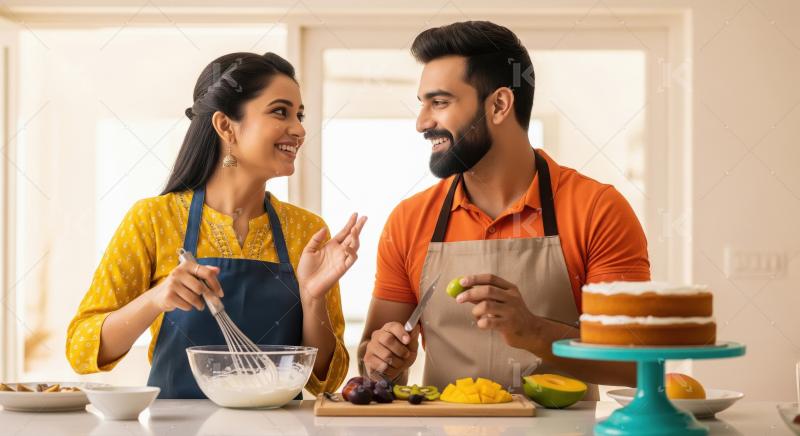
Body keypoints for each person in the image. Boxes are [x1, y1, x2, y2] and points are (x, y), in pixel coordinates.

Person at [359, 21, 649, 398]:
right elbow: (373, 364)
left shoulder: (597, 209)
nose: (422, 122)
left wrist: (534, 331)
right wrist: (385, 362)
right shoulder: (409, 220)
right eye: (423, 104)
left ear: (498, 105)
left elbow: (636, 362)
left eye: (440, 102)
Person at [67, 52, 366, 398]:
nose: (299, 129)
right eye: (280, 111)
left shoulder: (306, 230)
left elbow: (325, 381)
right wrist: (155, 300)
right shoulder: (153, 219)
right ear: (225, 125)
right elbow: (81, 348)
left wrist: (312, 300)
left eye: (299, 115)